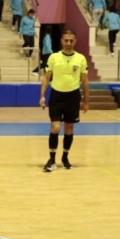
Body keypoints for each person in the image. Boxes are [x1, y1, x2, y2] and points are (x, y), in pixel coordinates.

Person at [39, 30, 90, 172]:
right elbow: (46, 78)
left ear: (75, 41)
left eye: (71, 40)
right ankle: (51, 160)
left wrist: (86, 101)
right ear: (61, 41)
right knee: (55, 127)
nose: (68, 43)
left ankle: (65, 157)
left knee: (69, 129)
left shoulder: (81, 58)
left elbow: (85, 81)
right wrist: (42, 96)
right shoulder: (53, 57)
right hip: (56, 96)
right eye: (66, 40)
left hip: (73, 97)